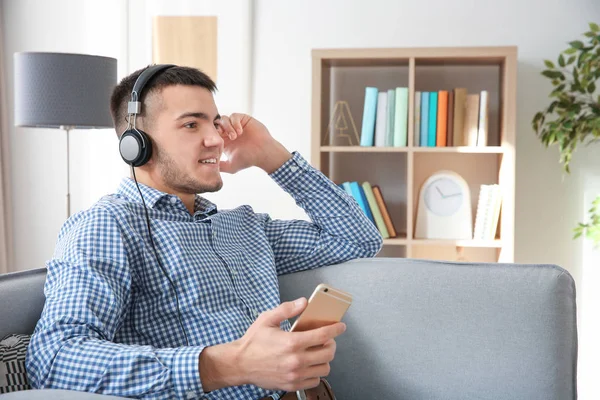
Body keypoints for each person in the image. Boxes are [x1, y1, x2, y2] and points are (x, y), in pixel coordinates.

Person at [25, 64, 383, 400]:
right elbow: (55, 360)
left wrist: (270, 155)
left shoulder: (245, 226)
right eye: (192, 125)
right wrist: (230, 364)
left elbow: (358, 239)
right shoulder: (107, 226)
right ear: (136, 143)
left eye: (214, 123)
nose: (215, 138)